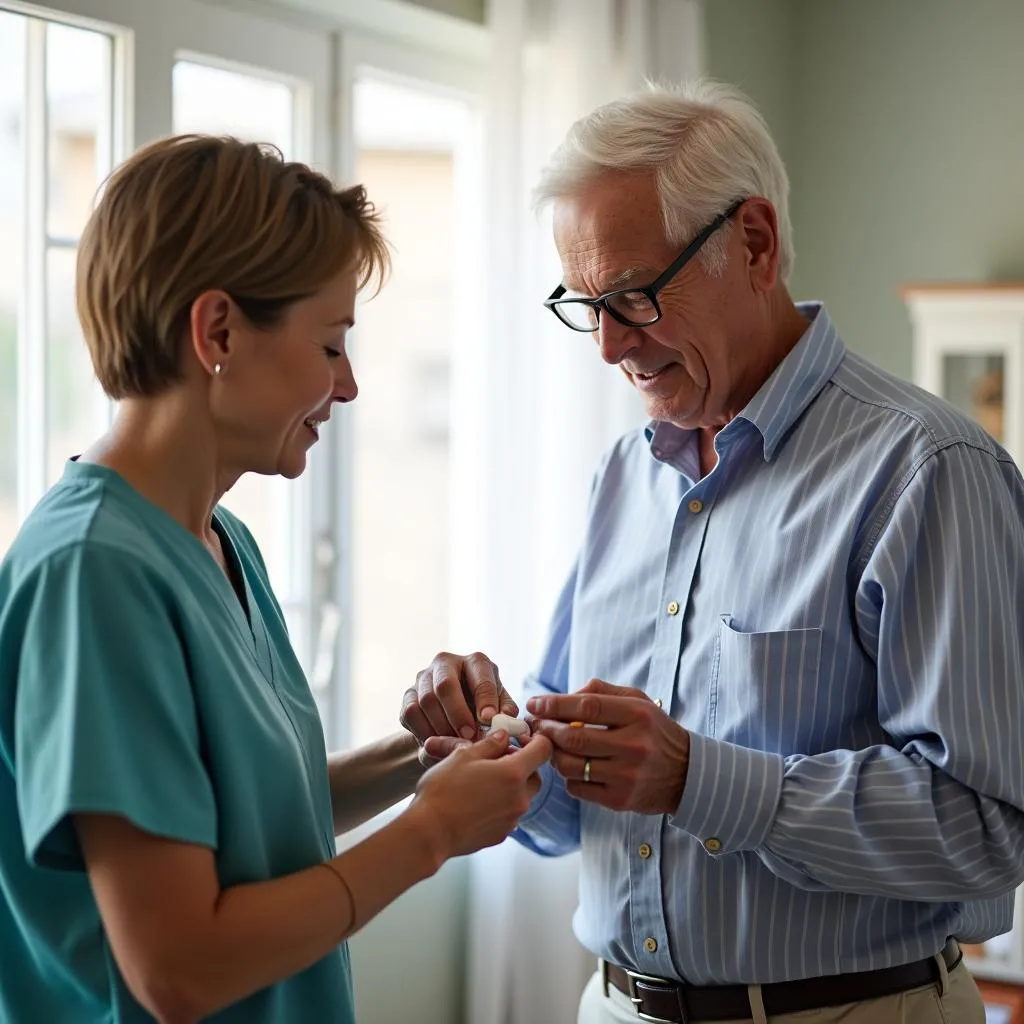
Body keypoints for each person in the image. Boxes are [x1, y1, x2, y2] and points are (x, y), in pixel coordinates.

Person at [401, 80, 1024, 1024]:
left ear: (756, 245)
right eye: (585, 306)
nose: (609, 345)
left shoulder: (929, 469)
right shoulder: (622, 474)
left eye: (636, 297)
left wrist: (700, 778)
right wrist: (499, 750)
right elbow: (576, 810)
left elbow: (987, 828)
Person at [0, 134, 552, 1024]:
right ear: (217, 331)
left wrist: (430, 755)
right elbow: (178, 967)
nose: (352, 385)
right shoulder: (93, 573)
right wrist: (436, 830)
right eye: (331, 344)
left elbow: (247, 828)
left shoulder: (221, 543)